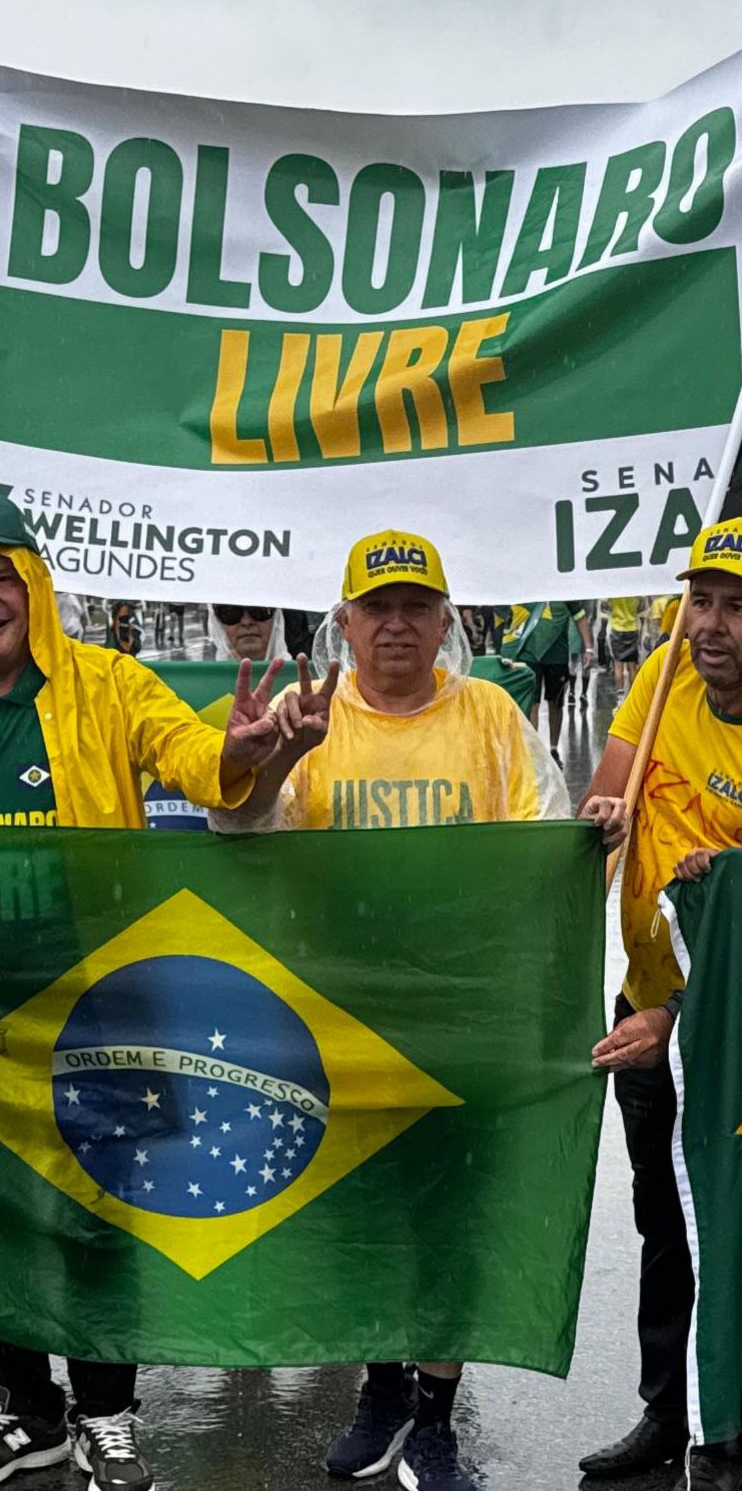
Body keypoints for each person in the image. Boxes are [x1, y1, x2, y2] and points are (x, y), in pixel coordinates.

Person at [0, 495, 281, 1491]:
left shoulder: (106, 685)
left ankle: (108, 1410)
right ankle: (27, 1409)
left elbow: (196, 758)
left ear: (34, 586)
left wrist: (243, 747)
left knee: (98, 1214)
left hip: (99, 1005)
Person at [213, 529, 626, 1491]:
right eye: (377, 607)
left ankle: (434, 1415)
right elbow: (236, 833)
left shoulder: (487, 714)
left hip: (464, 1012)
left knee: (451, 1216)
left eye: (415, 606)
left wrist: (590, 837)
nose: (396, 624)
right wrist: (277, 759)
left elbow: (544, 843)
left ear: (445, 620)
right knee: (366, 1212)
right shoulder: (304, 710)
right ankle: (381, 1386)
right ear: (345, 622)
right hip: (341, 1017)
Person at [577, 519, 742, 1491]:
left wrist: (674, 1020)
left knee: (728, 1223)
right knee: (665, 1224)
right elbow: (609, 796)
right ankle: (665, 1412)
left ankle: (727, 1431)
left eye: (735, 606)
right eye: (702, 599)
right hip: (643, 1006)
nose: (711, 624)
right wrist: (604, 822)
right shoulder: (668, 670)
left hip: (715, 1034)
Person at [502, 601, 593, 767]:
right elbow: (510, 619)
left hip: (557, 658)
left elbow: (580, 617)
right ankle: (532, 751)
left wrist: (588, 649)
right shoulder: (525, 589)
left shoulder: (564, 592)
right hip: (527, 655)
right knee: (531, 703)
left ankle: (553, 749)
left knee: (556, 703)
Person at [209, 603, 287, 662]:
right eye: (231, 612)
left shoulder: (297, 677)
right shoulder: (202, 680)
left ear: (277, 619)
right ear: (217, 624)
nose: (247, 622)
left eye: (259, 610)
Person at [608, 596, 643, 697]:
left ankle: (619, 698)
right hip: (632, 629)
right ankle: (632, 695)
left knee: (618, 666)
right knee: (632, 666)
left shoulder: (614, 592)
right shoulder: (635, 593)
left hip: (616, 629)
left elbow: (606, 606)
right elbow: (641, 608)